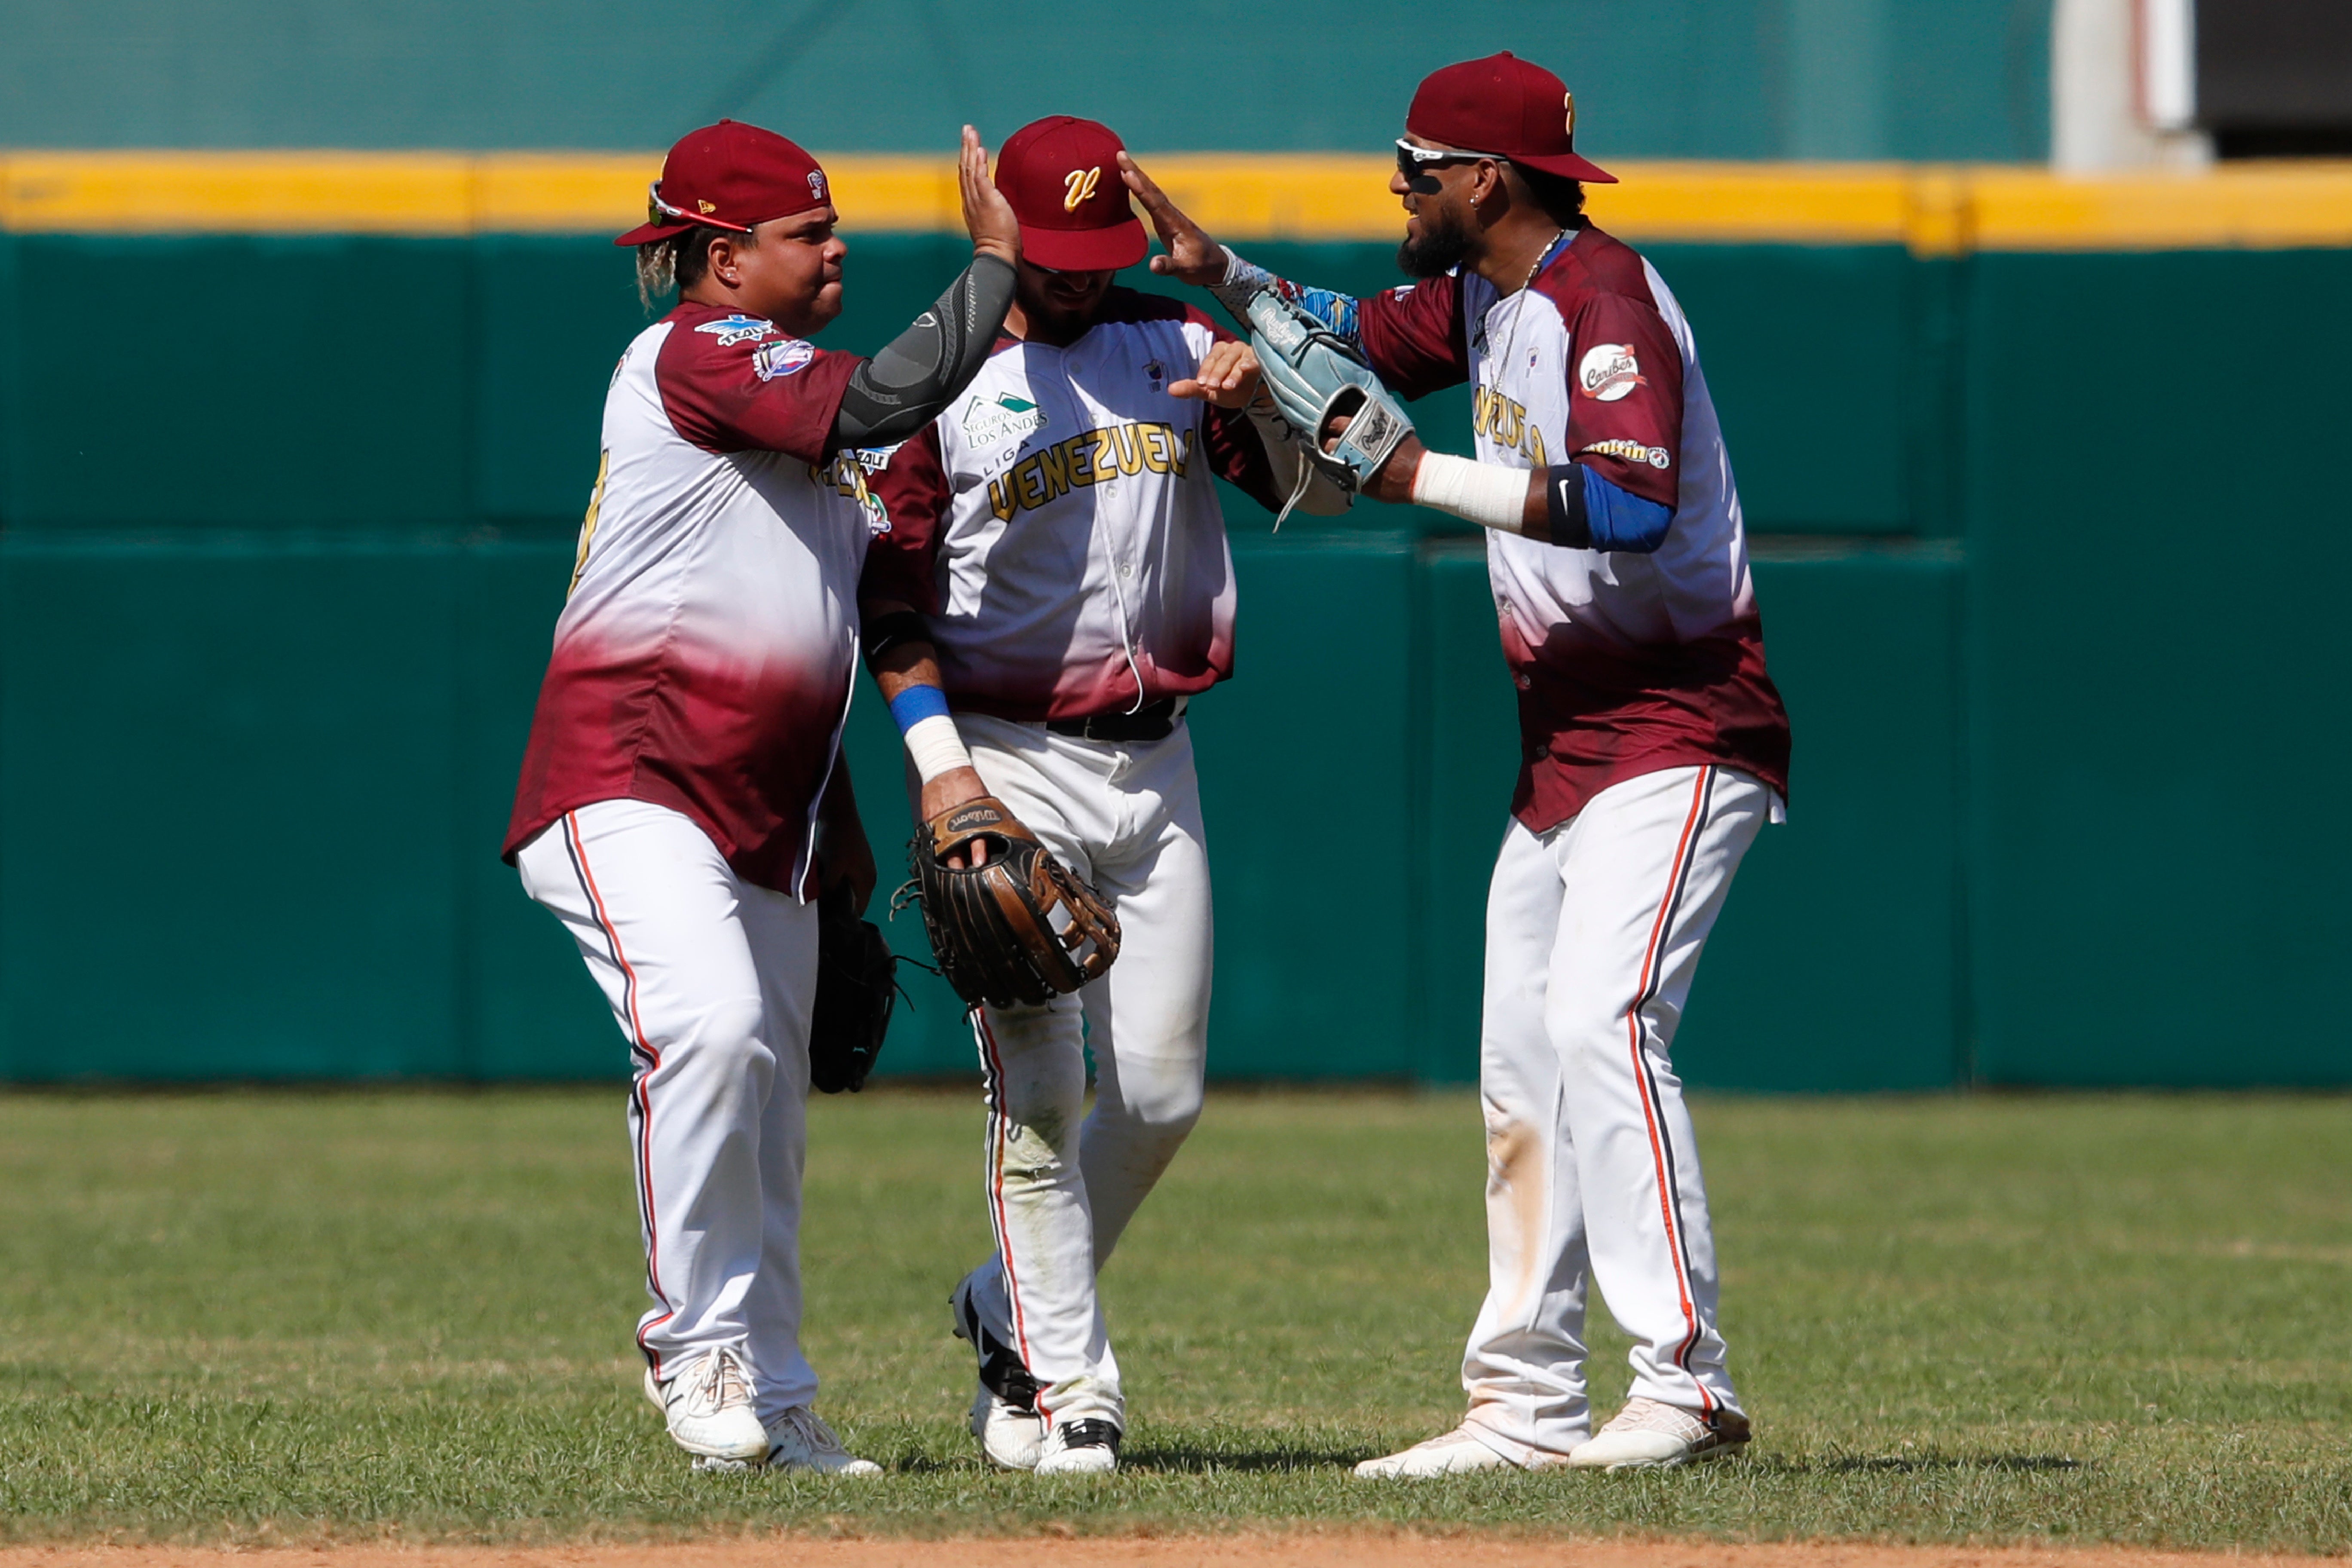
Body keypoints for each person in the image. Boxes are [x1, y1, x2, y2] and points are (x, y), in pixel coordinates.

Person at [1123, 52, 1792, 1475]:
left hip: (1681, 721)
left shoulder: (1605, 300)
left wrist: (1415, 477)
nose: (1398, 188)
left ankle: (1687, 1383)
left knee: (1606, 1021)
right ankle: (1527, 1405)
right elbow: (1353, 328)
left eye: (1416, 169)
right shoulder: (1492, 293)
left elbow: (1626, 500)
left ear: (1485, 181)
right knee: (1519, 1069)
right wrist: (1219, 270)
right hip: (1565, 744)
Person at [502, 116, 1021, 1474]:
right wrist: (995, 265)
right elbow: (875, 402)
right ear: (723, 260)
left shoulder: (812, 417)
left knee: (769, 1103)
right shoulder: (696, 355)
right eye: (809, 231)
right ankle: (693, 1349)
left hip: (774, 809)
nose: (836, 243)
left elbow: (830, 622)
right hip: (627, 774)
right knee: (713, 1030)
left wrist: (849, 819)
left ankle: (778, 1395)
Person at [860, 114, 1336, 1478]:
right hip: (1005, 754)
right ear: (996, 233)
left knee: (1169, 1097)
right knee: (1044, 1093)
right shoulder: (936, 382)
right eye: (1049, 251)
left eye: (1095, 249)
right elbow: (885, 605)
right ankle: (1073, 1388)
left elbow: (1323, 492)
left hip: (1158, 761)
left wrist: (1267, 402)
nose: (1077, 274)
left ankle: (1002, 1303)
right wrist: (944, 773)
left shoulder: (1176, 346)